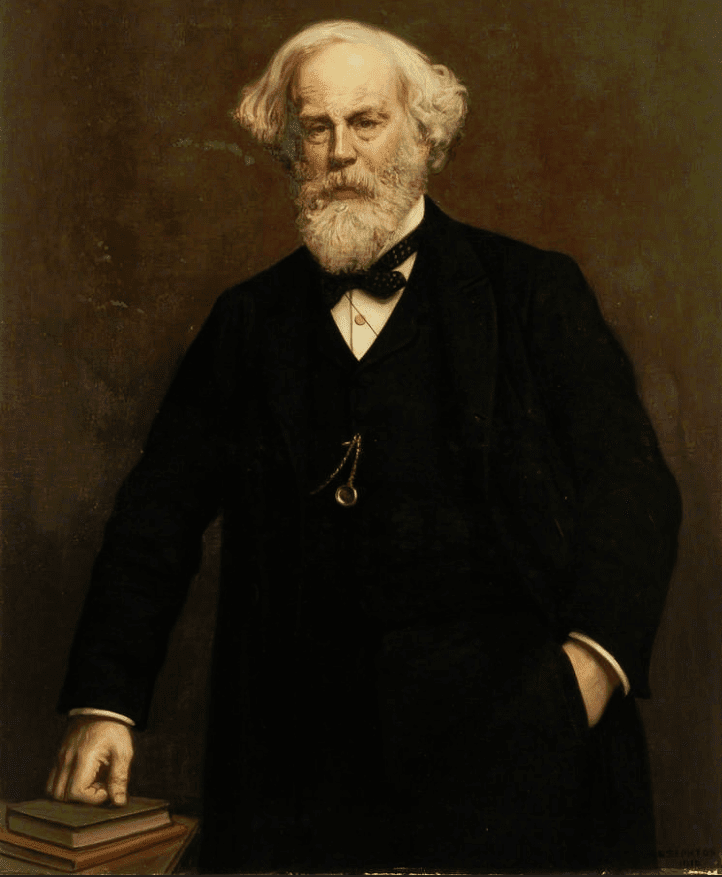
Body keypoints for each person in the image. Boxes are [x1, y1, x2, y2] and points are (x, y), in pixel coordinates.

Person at [48, 20, 681, 874]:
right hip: (295, 773)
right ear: (292, 152)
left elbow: (633, 487)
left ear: (425, 138)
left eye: (366, 122)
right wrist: (106, 700)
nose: (340, 151)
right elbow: (154, 518)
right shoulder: (247, 322)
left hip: (515, 752)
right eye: (316, 127)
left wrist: (588, 674)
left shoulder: (533, 292)